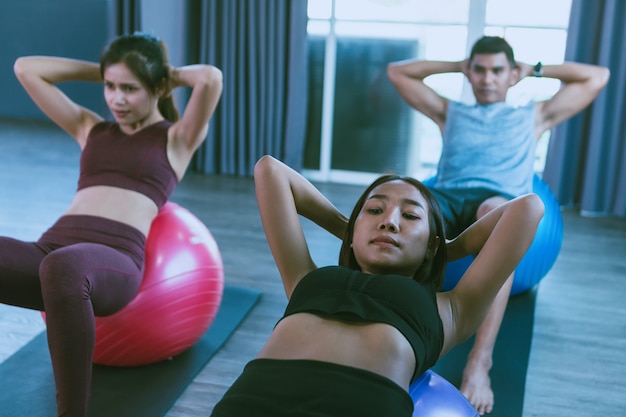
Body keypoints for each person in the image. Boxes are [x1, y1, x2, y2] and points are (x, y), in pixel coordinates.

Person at [209, 154, 544, 416]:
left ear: (430, 245)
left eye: (411, 216)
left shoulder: (449, 309)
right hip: (254, 402)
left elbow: (528, 209)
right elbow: (270, 171)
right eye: (374, 210)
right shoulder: (305, 278)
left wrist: (443, 250)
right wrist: (355, 230)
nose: (389, 220)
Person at [386, 35, 609, 414]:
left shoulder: (534, 115)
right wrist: (457, 64)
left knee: (497, 213)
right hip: (448, 196)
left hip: (498, 201)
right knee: (403, 203)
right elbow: (398, 72)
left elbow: (597, 76)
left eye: (497, 71)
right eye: (480, 70)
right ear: (470, 74)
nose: (488, 79)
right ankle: (389, 338)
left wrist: (535, 70)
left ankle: (480, 362)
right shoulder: (449, 111)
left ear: (511, 75)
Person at [4, 32, 222, 416]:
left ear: (158, 87)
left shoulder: (176, 138)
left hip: (114, 261)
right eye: (110, 86)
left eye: (130, 88)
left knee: (64, 267)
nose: (116, 99)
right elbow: (27, 69)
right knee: (56, 263)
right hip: (52, 250)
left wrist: (162, 71)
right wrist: (107, 70)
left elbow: (210, 78)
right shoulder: (91, 128)